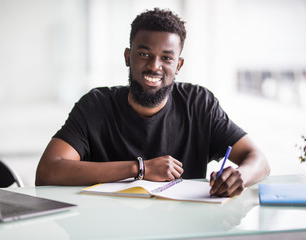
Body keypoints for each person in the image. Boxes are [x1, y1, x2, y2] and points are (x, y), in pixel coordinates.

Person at [35, 8, 270, 197]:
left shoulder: (199, 104)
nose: (155, 66)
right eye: (144, 54)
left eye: (166, 58)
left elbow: (258, 160)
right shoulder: (95, 105)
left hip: (183, 231)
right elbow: (47, 171)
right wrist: (141, 169)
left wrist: (241, 176)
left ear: (178, 65)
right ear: (128, 57)